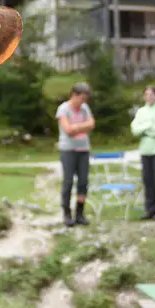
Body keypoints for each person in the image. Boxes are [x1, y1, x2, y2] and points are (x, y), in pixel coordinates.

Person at [56, 82, 95, 227]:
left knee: (83, 182)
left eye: (85, 100)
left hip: (83, 149)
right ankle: (66, 213)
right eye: (81, 99)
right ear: (74, 96)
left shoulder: (85, 108)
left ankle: (80, 213)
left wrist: (77, 127)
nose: (83, 103)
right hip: (68, 150)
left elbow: (92, 124)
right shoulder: (63, 109)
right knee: (68, 181)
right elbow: (68, 130)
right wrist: (82, 127)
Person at [130, 86, 155, 220]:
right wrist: (148, 125)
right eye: (146, 95)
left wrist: (145, 129)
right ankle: (150, 209)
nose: (149, 97)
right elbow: (135, 130)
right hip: (145, 149)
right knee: (147, 180)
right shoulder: (141, 111)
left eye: (151, 94)